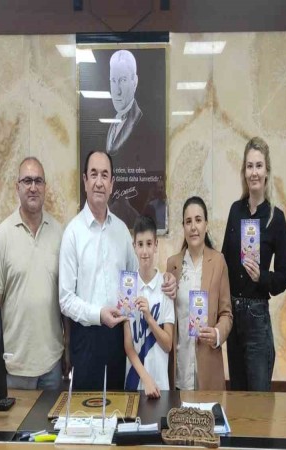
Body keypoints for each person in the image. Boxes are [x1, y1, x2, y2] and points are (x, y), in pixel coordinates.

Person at [59, 150, 176, 390]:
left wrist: (166, 279)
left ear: (112, 183)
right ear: (85, 181)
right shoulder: (72, 233)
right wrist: (98, 314)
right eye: (94, 174)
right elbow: (66, 299)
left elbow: (138, 279)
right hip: (86, 339)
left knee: (117, 408)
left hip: (119, 339)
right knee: (86, 407)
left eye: (105, 175)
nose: (99, 182)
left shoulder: (122, 231)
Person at [0, 157, 68, 390]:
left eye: (38, 181)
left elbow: (65, 299)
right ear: (17, 187)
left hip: (52, 365)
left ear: (45, 187)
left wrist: (68, 347)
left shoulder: (60, 234)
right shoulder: (2, 235)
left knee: (51, 416)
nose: (33, 187)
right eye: (27, 181)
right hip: (13, 366)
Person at [221, 136, 286, 391]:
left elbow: (285, 275)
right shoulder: (235, 211)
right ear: (244, 171)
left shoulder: (276, 218)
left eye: (259, 166)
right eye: (249, 166)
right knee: (237, 396)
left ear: (267, 171)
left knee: (258, 400)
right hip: (233, 316)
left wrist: (261, 277)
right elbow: (223, 262)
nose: (254, 172)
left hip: (257, 315)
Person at [167, 196, 233, 390]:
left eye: (198, 220)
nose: (193, 227)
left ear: (206, 224)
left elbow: (226, 313)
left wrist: (217, 334)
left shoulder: (218, 262)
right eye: (188, 222)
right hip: (179, 367)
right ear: (183, 226)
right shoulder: (173, 265)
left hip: (208, 366)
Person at [123, 216, 174, 397]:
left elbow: (168, 344)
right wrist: (146, 379)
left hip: (160, 384)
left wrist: (149, 318)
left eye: (149, 244)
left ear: (156, 245)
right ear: (134, 247)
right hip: (134, 381)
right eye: (140, 244)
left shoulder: (165, 287)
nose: (145, 251)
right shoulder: (127, 287)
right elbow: (128, 345)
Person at [106, 50, 142, 156]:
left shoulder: (142, 124)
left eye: (122, 80)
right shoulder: (114, 121)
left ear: (134, 82)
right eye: (113, 81)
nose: (117, 91)